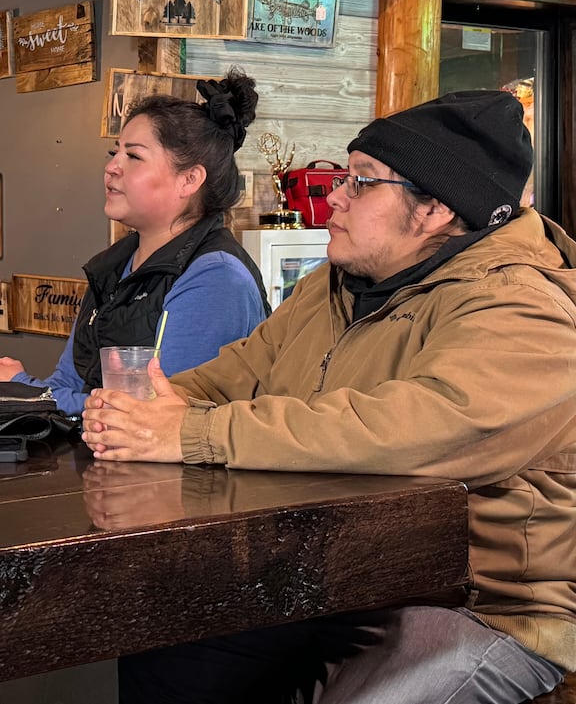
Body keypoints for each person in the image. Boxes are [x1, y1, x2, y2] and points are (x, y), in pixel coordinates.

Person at [84, 90, 575, 702]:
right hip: (332, 576)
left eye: (360, 182)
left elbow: (419, 427)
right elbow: (233, 374)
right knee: (168, 643)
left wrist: (190, 432)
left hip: (482, 603)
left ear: (435, 209)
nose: (334, 196)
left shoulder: (524, 307)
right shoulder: (336, 283)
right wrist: (139, 413)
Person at [0, 69, 270, 414]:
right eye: (114, 153)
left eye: (133, 156)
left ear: (189, 179)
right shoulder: (112, 266)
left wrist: (25, 389)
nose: (111, 167)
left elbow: (161, 413)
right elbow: (67, 385)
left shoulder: (217, 279)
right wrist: (25, 391)